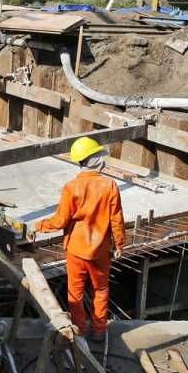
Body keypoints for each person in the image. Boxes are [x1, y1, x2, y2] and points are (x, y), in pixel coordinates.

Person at [31, 137, 125, 342]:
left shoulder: (71, 187)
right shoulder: (109, 186)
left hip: (76, 250)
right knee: (101, 290)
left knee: (75, 293)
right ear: (95, 160)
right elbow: (117, 220)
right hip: (100, 251)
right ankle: (99, 331)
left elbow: (60, 220)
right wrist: (119, 244)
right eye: (100, 156)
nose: (103, 159)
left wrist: (39, 226)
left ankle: (80, 332)